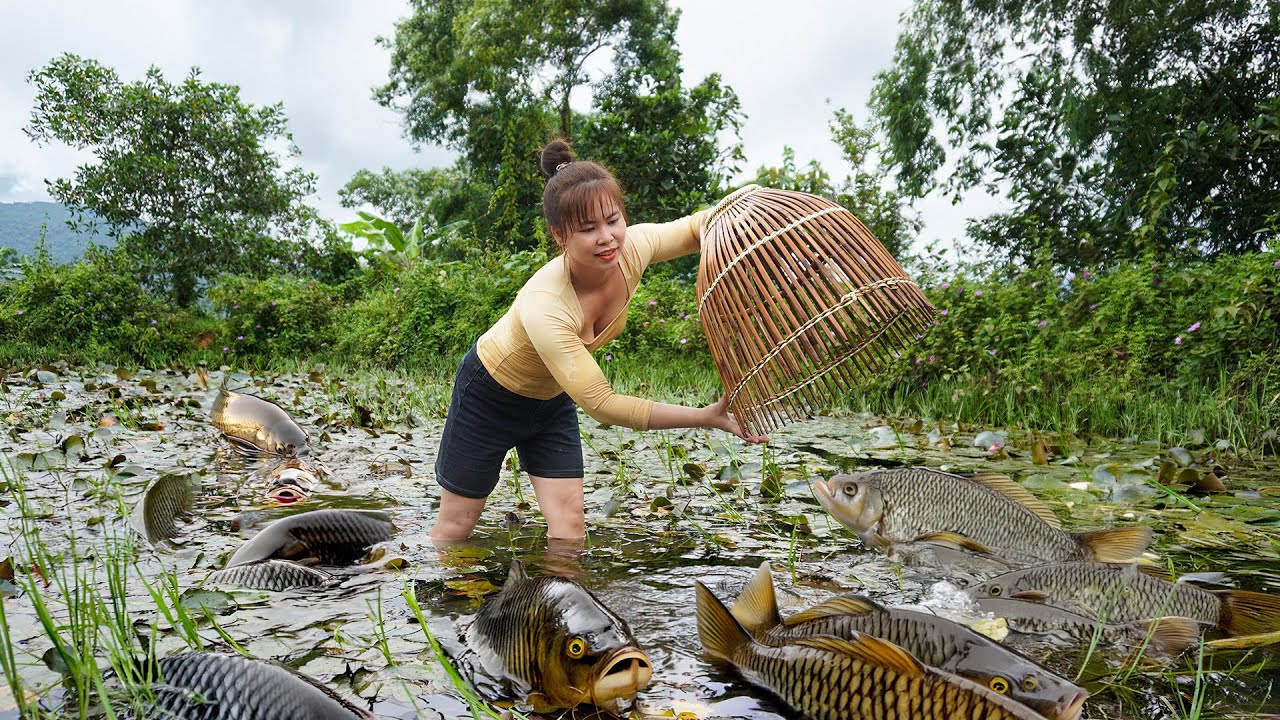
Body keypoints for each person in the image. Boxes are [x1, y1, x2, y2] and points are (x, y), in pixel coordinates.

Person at [429, 139, 768, 542]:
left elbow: (700, 227)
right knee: (457, 526)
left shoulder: (634, 247)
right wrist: (705, 416)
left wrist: (750, 203)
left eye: (613, 220)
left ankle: (558, 585)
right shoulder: (546, 305)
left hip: (552, 399)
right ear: (560, 236)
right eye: (588, 229)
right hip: (489, 398)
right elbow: (603, 405)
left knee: (570, 524)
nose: (607, 238)